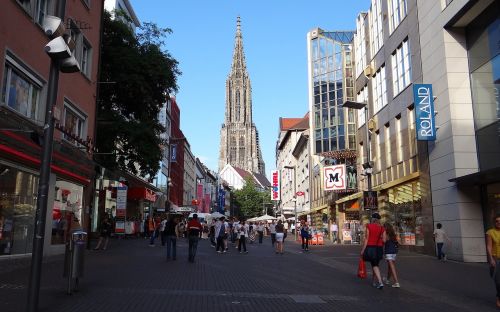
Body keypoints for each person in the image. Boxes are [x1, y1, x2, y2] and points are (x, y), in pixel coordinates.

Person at [360, 212, 386, 289]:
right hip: (379, 248)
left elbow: (367, 239)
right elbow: (384, 240)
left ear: (372, 219)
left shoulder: (369, 226)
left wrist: (363, 250)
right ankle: (374, 281)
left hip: (371, 248)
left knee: (374, 265)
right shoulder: (382, 228)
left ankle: (380, 282)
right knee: (375, 264)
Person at [486, 215, 500, 309]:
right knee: (498, 281)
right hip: (496, 259)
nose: (499, 222)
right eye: (497, 221)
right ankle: (499, 297)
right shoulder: (490, 232)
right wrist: (490, 259)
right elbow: (489, 246)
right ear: (494, 222)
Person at [383, 223, 400, 288]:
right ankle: (387, 280)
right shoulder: (393, 234)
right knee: (390, 266)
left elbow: (384, 241)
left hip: (389, 251)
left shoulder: (386, 233)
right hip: (394, 251)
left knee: (392, 266)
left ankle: (396, 282)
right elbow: (397, 242)